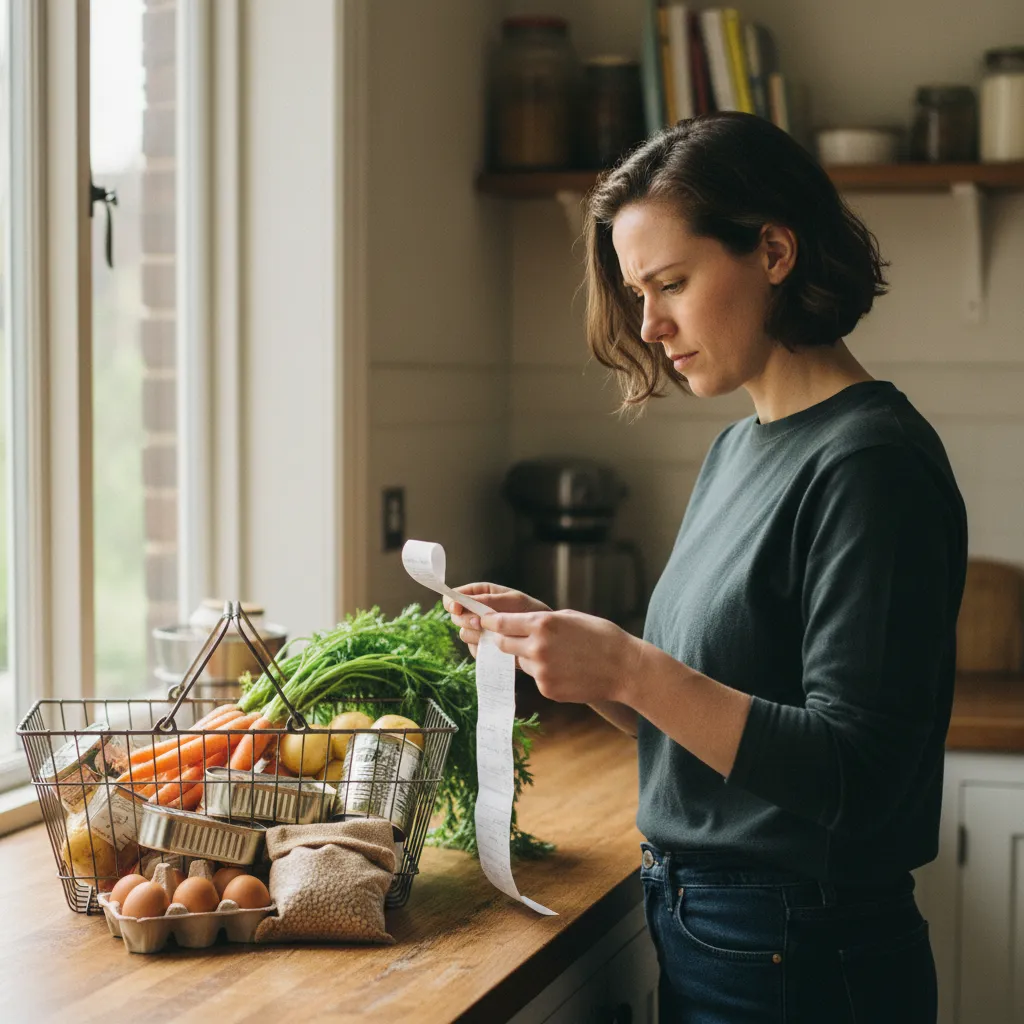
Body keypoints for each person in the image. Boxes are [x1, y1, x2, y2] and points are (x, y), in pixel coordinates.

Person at [444, 112, 966, 1024]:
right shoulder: (738, 450)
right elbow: (703, 721)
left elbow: (858, 773)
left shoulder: (870, 463)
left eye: (672, 283)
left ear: (772, 250)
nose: (649, 325)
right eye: (639, 292)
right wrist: (565, 652)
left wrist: (631, 665)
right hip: (714, 927)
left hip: (806, 949)